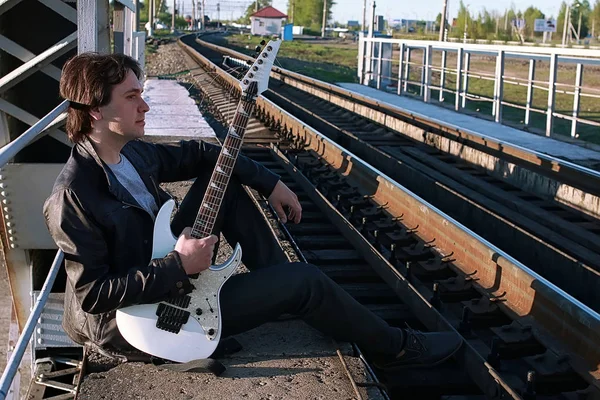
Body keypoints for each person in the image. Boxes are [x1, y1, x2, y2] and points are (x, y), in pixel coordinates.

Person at [43, 52, 462, 372]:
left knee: (223, 184)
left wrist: (272, 182)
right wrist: (178, 264)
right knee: (308, 282)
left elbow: (208, 153)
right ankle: (398, 346)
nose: (145, 107)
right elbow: (92, 296)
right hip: (143, 321)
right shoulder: (73, 195)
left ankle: (284, 292)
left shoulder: (132, 155)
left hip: (166, 277)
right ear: (96, 110)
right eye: (132, 97)